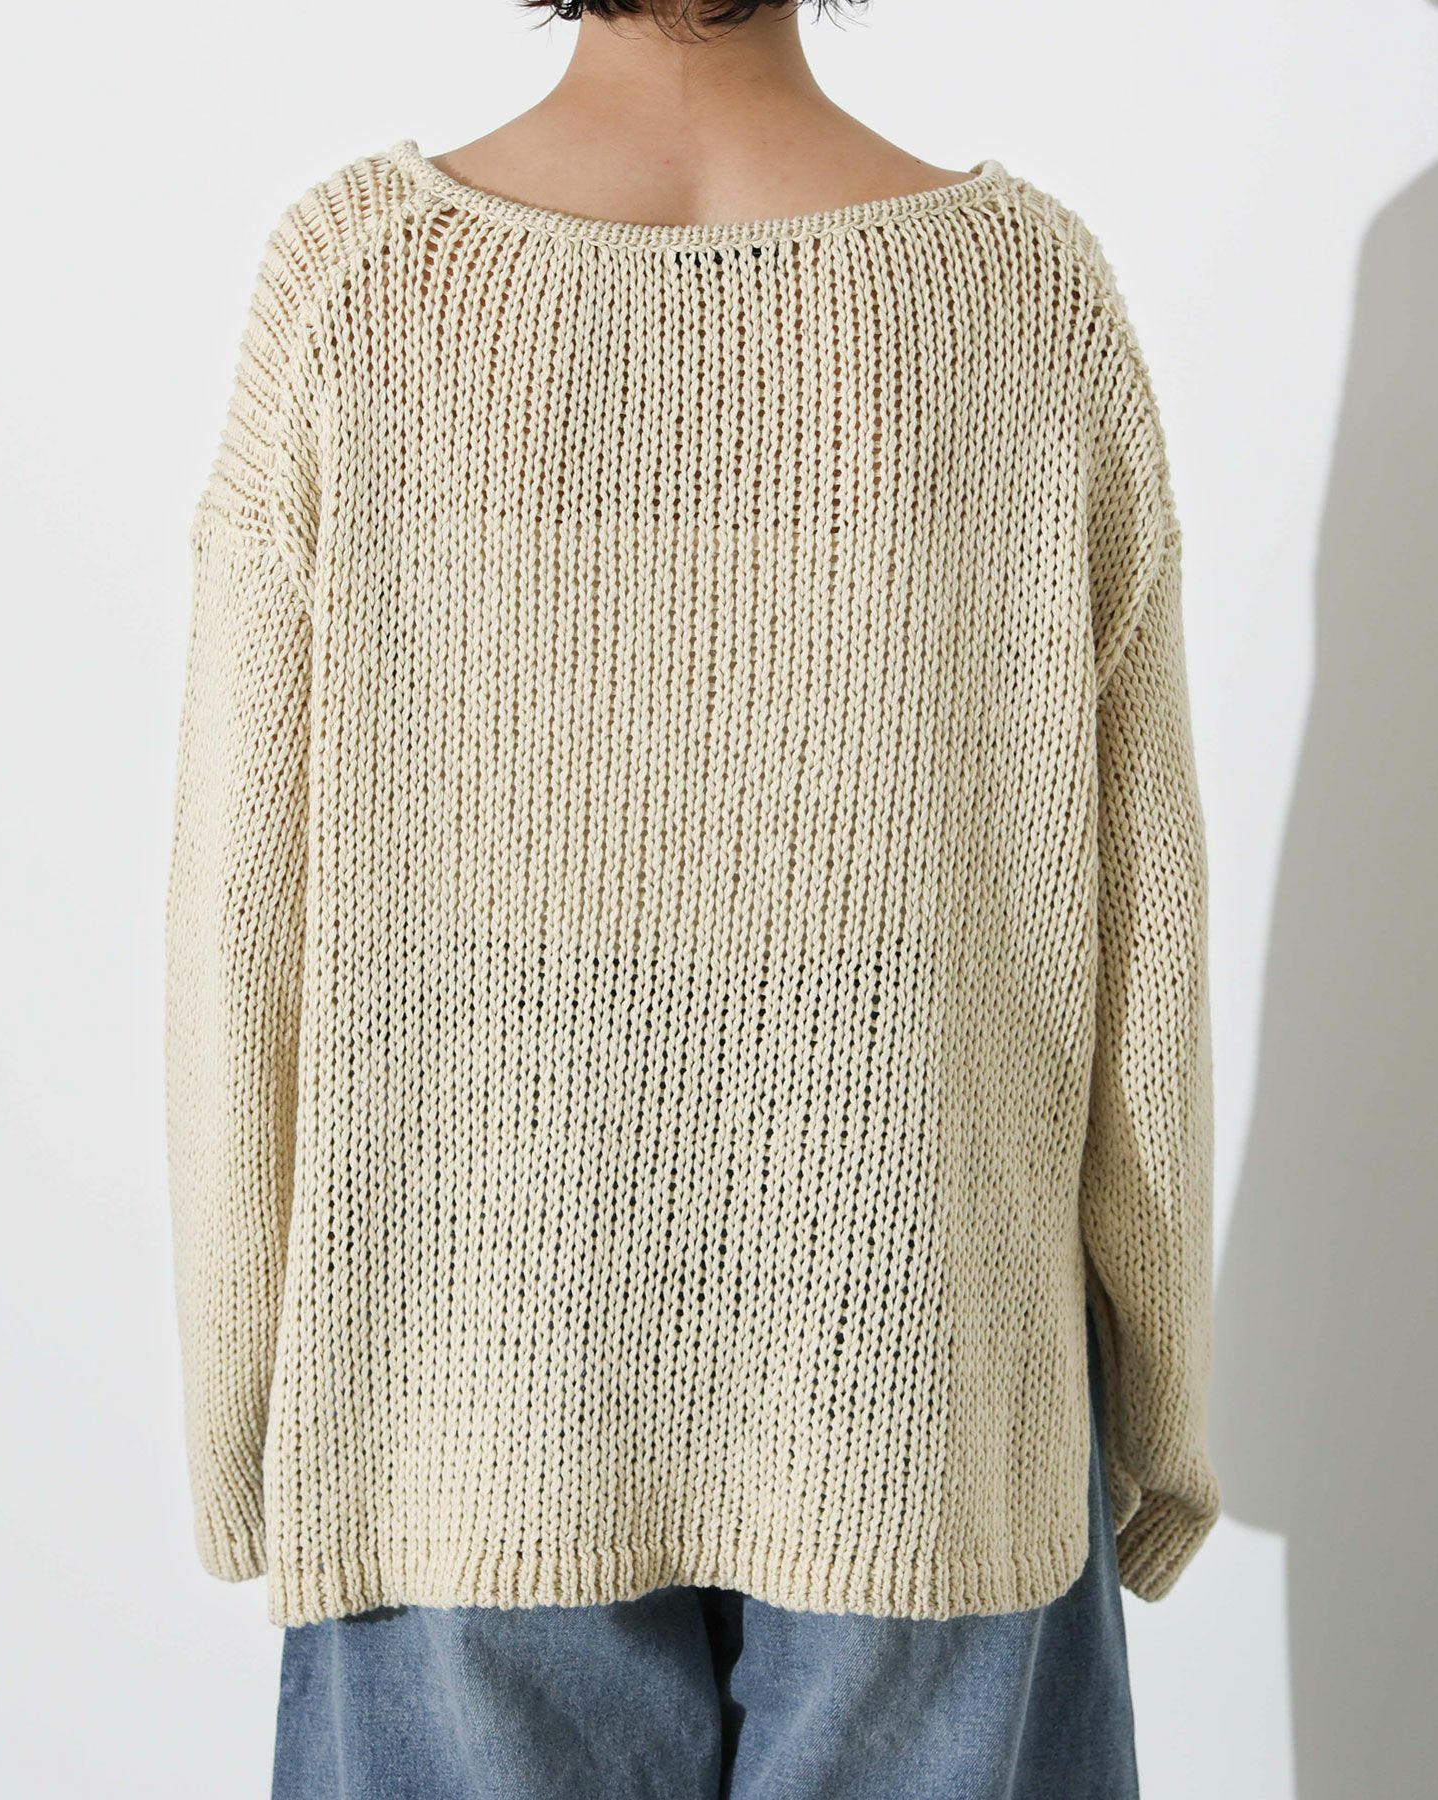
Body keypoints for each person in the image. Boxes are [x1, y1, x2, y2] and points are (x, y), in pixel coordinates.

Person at [163, 1, 1220, 1793]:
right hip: (923, 1332)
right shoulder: (1026, 300)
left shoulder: (362, 285)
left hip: (463, 1327)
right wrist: (1163, 1410)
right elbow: (1144, 923)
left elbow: (236, 907)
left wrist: (240, 1400)